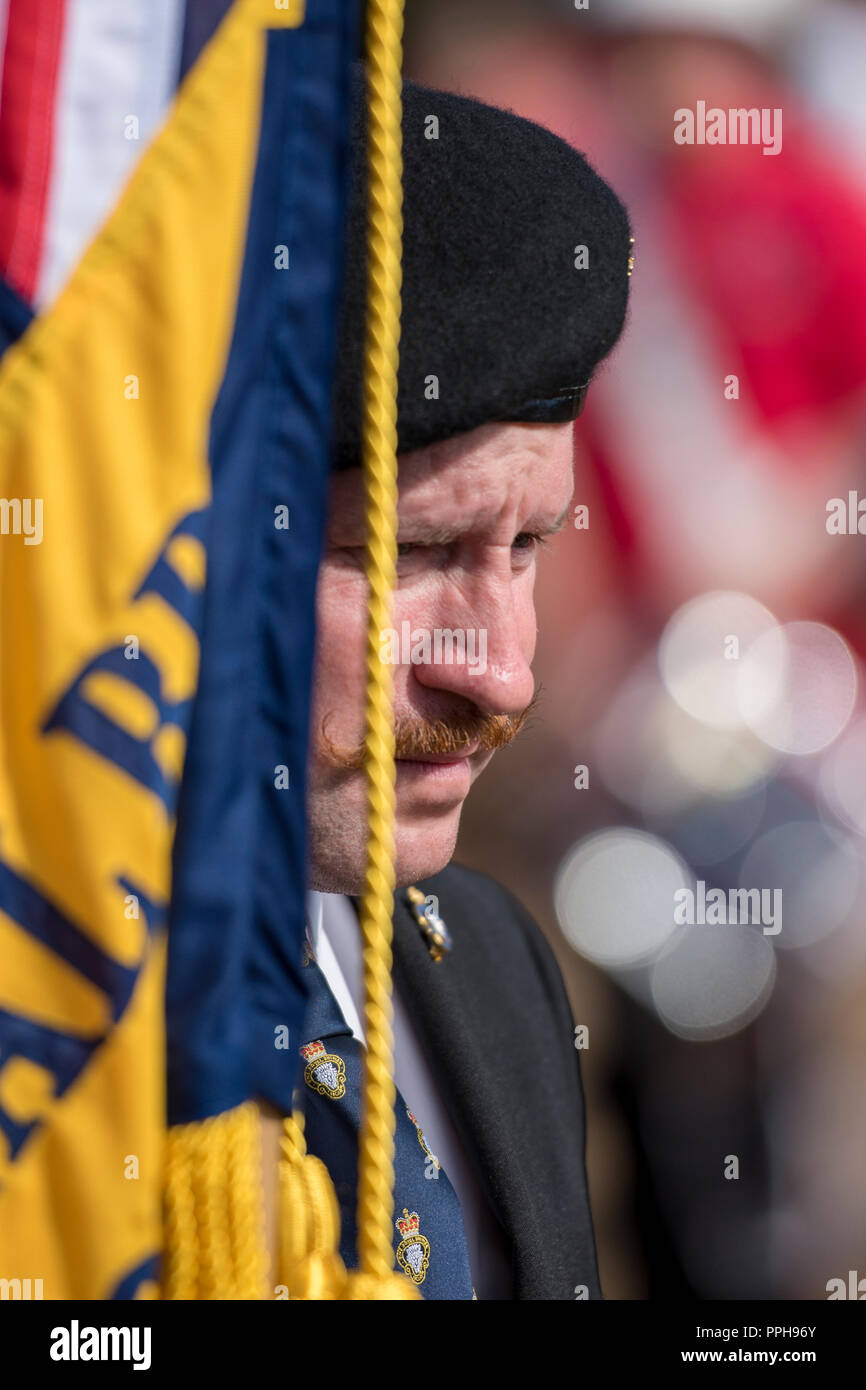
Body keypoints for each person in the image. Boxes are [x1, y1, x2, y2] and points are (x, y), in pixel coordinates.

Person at [258, 68, 632, 1301]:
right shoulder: (51, 1024)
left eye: (526, 546)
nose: (501, 671)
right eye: (406, 553)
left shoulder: (487, 958)